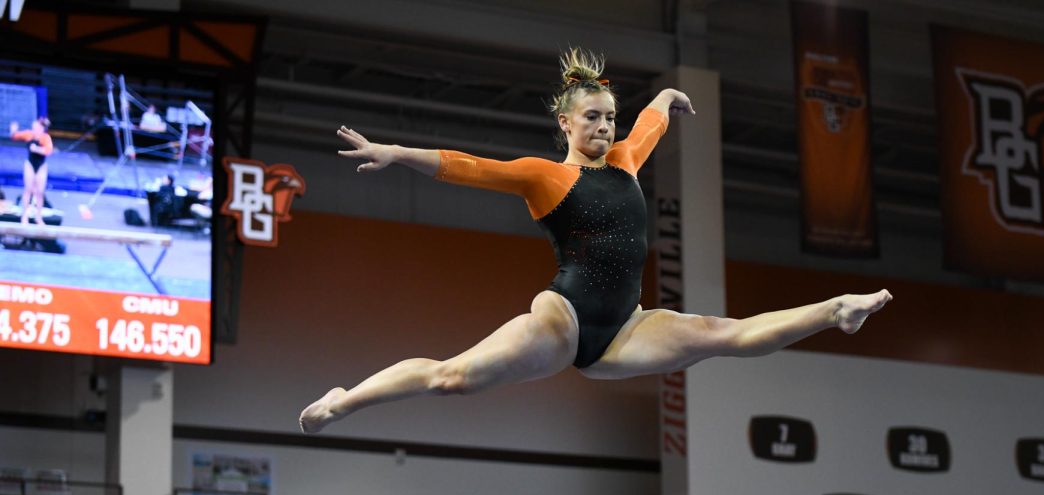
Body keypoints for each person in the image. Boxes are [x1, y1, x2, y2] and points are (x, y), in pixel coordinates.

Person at [299, 48, 891, 433]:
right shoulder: (547, 176)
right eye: (592, 118)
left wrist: (661, 98)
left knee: (720, 336)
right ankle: (343, 400)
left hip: (625, 328)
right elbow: (469, 167)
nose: (604, 127)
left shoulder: (627, 161)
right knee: (451, 378)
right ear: (566, 123)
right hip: (565, 320)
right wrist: (397, 153)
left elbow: (650, 125)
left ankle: (837, 310)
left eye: (609, 117)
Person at [8, 118, 53, 225]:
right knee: (28, 189)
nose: (37, 129)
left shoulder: (45, 138)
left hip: (41, 165)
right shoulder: (29, 135)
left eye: (39, 127)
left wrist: (37, 149)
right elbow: (14, 136)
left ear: (43, 129)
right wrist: (13, 130)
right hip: (30, 164)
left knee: (40, 192)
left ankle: (38, 217)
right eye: (36, 126)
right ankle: (25, 216)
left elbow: (48, 150)